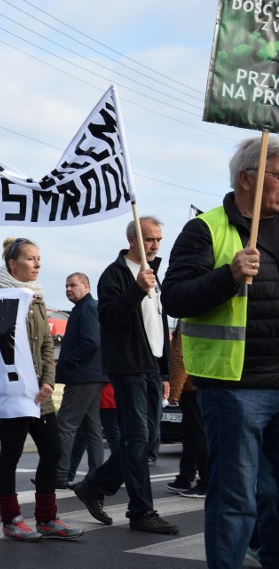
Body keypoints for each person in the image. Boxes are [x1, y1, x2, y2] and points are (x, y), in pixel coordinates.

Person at [161, 136, 279, 568]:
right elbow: (173, 298)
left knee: (274, 497)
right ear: (248, 179)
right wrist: (227, 276)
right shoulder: (206, 229)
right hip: (234, 388)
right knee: (235, 497)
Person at [72, 216, 178, 535]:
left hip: (150, 366)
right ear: (131, 239)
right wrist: (136, 290)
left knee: (143, 441)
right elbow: (110, 319)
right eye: (149, 239)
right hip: (127, 367)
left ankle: (94, 486)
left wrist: (165, 372)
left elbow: (159, 325)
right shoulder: (115, 274)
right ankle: (141, 510)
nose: (155, 245)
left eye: (159, 239)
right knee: (138, 440)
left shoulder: (154, 275)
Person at [0, 239, 82, 541]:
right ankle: (11, 519)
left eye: (39, 258)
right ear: (13, 265)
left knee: (52, 452)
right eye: (30, 259)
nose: (38, 264)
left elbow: (45, 345)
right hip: (12, 395)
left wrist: (48, 381)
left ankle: (46, 518)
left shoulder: (38, 298)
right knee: (11, 455)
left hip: (40, 396)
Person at [54, 272, 107, 489]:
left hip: (83, 377)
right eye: (66, 285)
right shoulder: (85, 308)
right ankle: (96, 476)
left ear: (86, 286)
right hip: (91, 376)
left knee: (65, 424)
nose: (68, 289)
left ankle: (59, 475)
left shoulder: (87, 309)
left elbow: (91, 342)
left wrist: (67, 361)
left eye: (73, 285)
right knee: (92, 428)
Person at [165, 321, 208, 498]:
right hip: (195, 384)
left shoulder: (189, 317)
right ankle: (185, 478)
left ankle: (206, 483)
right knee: (190, 435)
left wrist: (174, 392)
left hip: (192, 385)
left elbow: (181, 356)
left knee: (198, 436)